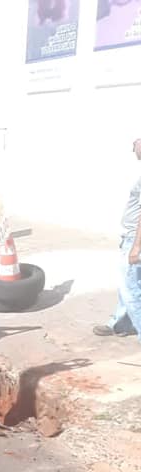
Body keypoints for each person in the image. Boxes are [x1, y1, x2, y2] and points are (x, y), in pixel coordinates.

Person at [94, 137, 141, 340]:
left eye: (138, 141)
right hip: (130, 237)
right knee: (129, 283)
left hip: (135, 238)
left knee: (131, 289)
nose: (133, 145)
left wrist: (137, 247)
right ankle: (120, 323)